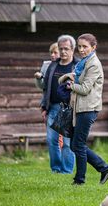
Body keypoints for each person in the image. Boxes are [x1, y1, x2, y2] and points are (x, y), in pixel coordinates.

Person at [60, 33, 108, 185]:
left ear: (93, 47)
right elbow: (79, 78)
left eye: (85, 47)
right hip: (78, 108)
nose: (82, 49)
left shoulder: (94, 64)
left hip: (88, 109)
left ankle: (80, 180)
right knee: (75, 144)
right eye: (80, 46)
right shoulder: (82, 63)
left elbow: (84, 89)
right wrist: (67, 77)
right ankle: (104, 169)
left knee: (77, 144)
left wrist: (71, 85)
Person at [40, 35, 77, 174]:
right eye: (61, 49)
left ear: (72, 49)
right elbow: (46, 88)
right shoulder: (52, 66)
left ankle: (66, 170)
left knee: (67, 143)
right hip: (53, 106)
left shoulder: (77, 65)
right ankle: (55, 168)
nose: (63, 52)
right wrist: (44, 106)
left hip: (69, 108)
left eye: (66, 49)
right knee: (52, 140)